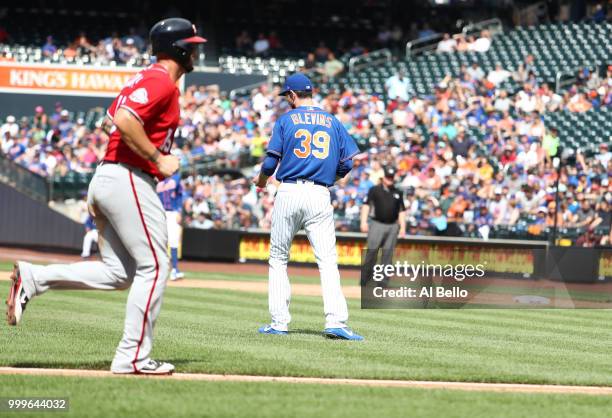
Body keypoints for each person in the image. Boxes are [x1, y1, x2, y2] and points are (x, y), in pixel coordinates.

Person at [6, 18, 206, 375]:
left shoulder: (145, 78)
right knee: (156, 267)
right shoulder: (161, 80)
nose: (196, 49)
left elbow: (112, 117)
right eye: (192, 44)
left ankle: (35, 278)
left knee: (120, 273)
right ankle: (132, 357)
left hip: (110, 178)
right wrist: (158, 157)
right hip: (128, 176)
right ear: (178, 48)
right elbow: (126, 120)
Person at [253, 73, 364, 340]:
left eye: (287, 96)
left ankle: (279, 323)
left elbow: (270, 164)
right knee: (327, 261)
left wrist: (261, 181)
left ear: (292, 95)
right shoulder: (332, 121)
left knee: (278, 258)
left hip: (289, 191)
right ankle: (335, 321)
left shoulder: (286, 119)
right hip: (319, 193)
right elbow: (347, 163)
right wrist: (330, 179)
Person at [359, 167, 406, 286]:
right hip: (376, 224)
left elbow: (401, 211)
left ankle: (383, 282)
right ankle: (365, 280)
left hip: (392, 226)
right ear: (383, 178)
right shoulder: (374, 190)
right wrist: (363, 222)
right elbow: (366, 205)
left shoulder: (397, 192)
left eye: (391, 177)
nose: (390, 179)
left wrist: (403, 228)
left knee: (388, 255)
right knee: (372, 252)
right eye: (388, 177)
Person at [157, 172, 184, 280]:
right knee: (158, 241)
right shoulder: (157, 177)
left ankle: (175, 269)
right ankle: (160, 269)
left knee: (173, 241)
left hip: (172, 212)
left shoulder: (176, 177)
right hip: (159, 212)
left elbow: (180, 195)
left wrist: (179, 211)